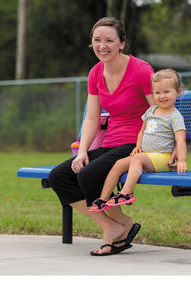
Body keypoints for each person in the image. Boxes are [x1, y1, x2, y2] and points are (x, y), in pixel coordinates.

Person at [47, 17, 156, 256]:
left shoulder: (141, 70)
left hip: (137, 144)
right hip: (111, 143)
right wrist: (83, 151)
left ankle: (122, 225)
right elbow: (92, 118)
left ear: (122, 44)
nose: (102, 45)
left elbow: (157, 113)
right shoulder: (95, 73)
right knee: (59, 176)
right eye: (97, 40)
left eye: (109, 40)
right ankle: (111, 226)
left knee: (88, 175)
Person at [89, 69, 187, 212]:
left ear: (178, 92)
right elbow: (142, 131)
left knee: (137, 159)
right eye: (157, 93)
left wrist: (182, 160)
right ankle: (103, 199)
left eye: (167, 92)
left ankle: (126, 192)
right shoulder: (150, 111)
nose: (162, 96)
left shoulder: (175, 116)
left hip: (163, 158)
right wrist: (138, 146)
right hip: (146, 156)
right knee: (118, 164)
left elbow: (181, 140)